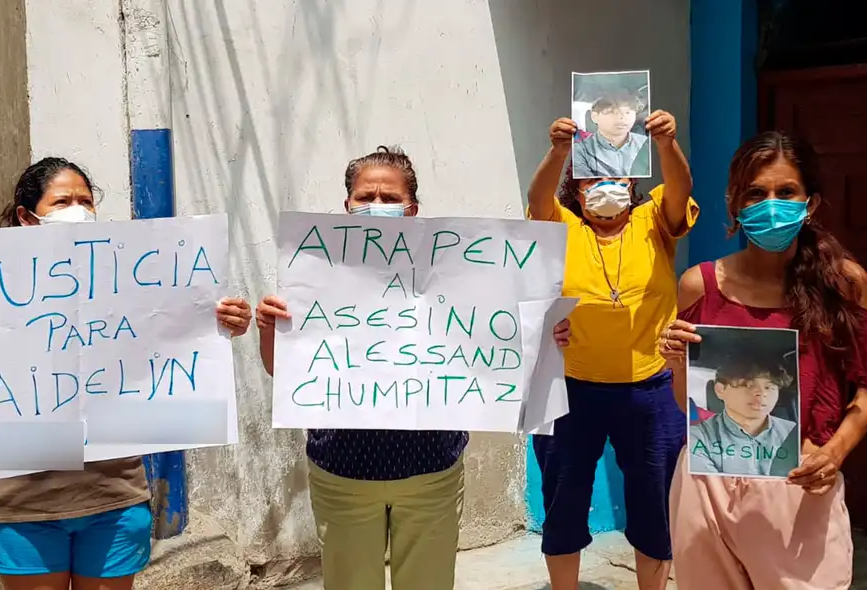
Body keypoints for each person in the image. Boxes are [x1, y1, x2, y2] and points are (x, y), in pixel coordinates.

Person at [0, 157, 253, 590]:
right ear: (28, 217)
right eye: (63, 201)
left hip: (115, 495)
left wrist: (218, 322)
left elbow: (176, 330)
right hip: (25, 504)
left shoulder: (135, 280)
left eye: (86, 201)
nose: (78, 209)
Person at [256, 146, 571, 590]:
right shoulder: (314, 273)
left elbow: (495, 338)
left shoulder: (458, 270)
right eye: (366, 196)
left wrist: (543, 339)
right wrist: (268, 328)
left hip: (431, 471)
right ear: (347, 205)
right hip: (343, 471)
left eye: (389, 197)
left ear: (413, 208)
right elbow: (282, 372)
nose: (376, 206)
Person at [660, 131, 867, 589]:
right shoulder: (699, 285)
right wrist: (678, 360)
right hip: (709, 484)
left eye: (786, 192)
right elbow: (689, 407)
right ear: (735, 204)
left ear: (810, 203)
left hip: (801, 483)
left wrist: (833, 454)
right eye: (756, 193)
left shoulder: (846, 284)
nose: (771, 205)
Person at [527, 110, 695, 590]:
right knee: (563, 496)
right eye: (592, 180)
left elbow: (680, 190)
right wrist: (558, 151)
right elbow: (536, 200)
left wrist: (666, 144)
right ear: (576, 191)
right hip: (570, 387)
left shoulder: (652, 222)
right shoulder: (564, 226)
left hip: (651, 388)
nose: (605, 187)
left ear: (632, 182)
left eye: (616, 178)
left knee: (654, 500)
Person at [688, 357, 799, 477]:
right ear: (720, 390)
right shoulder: (699, 436)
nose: (762, 393)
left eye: (769, 387)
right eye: (748, 385)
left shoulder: (794, 433)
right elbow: (710, 488)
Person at [571, 92, 649, 178]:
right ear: (594, 117)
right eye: (613, 112)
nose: (622, 117)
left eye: (628, 112)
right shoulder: (581, 151)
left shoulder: (646, 144)